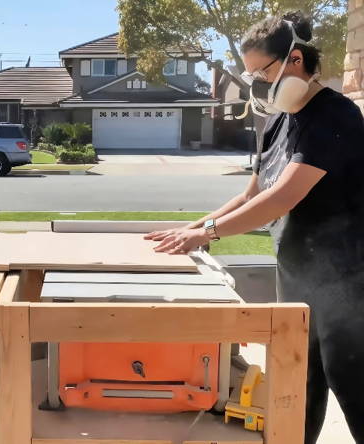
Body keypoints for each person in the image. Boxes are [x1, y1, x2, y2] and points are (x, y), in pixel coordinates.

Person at [145, 11, 364, 444]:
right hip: (299, 279)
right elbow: (251, 194)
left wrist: (207, 234)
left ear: (295, 60)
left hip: (349, 286)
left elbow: (281, 198)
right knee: (297, 392)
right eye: (251, 76)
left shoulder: (335, 117)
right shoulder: (280, 121)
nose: (257, 85)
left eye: (262, 72)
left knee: (355, 390)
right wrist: (191, 228)